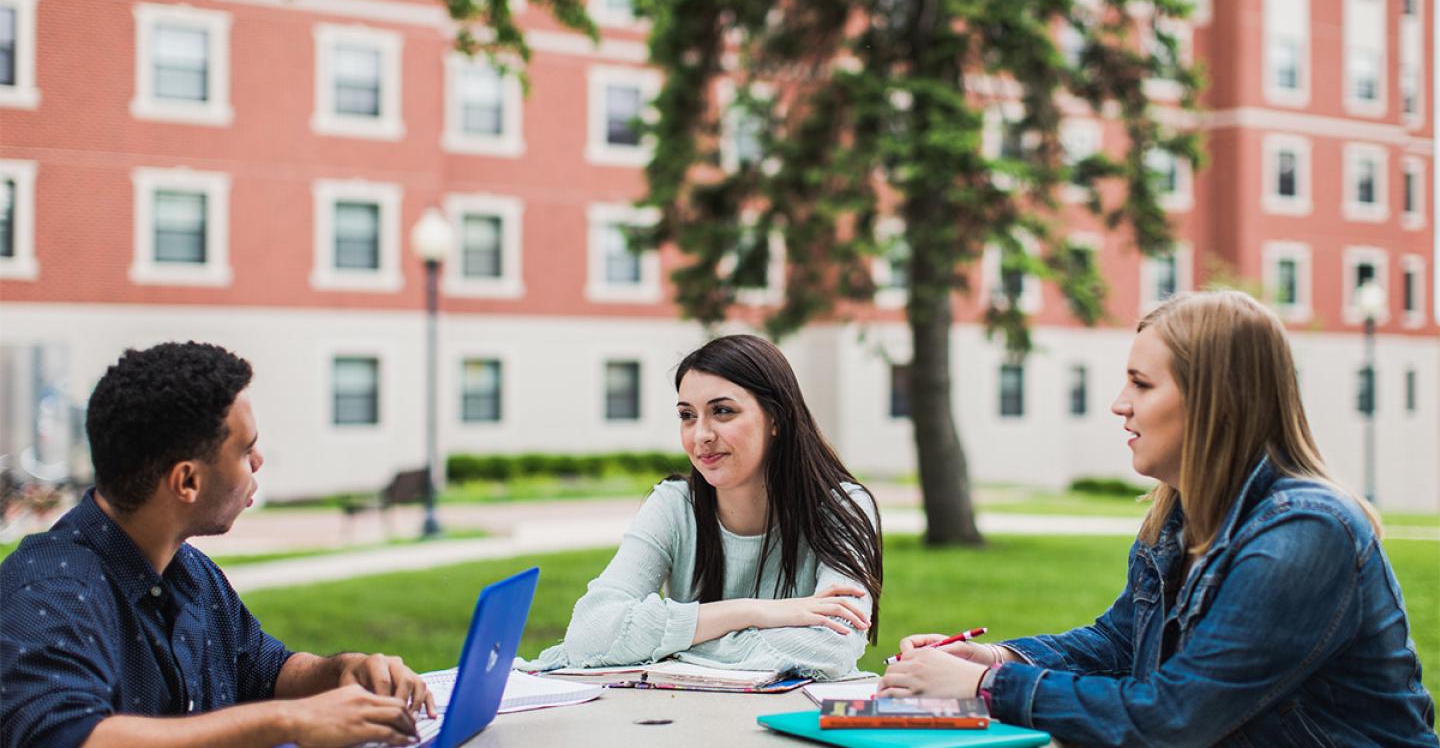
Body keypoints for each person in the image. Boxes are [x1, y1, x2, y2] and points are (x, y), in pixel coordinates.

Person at [880, 291, 1438, 746]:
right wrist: (997, 655)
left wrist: (985, 685)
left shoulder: (1306, 535)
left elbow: (1173, 720)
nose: (1118, 404)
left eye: (1142, 384)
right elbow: (1117, 645)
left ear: (1215, 403)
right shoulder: (1178, 515)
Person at [0, 342, 435, 748]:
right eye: (246, 450)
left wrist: (343, 671)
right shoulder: (50, 588)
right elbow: (66, 735)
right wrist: (289, 721)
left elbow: (266, 671)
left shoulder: (189, 570)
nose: (258, 461)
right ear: (187, 481)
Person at [521, 334, 883, 679]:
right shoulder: (673, 505)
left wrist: (664, 645)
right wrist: (756, 611)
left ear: (776, 418)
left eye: (722, 411)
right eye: (687, 415)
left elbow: (832, 647)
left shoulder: (843, 508)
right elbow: (590, 633)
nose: (701, 435)